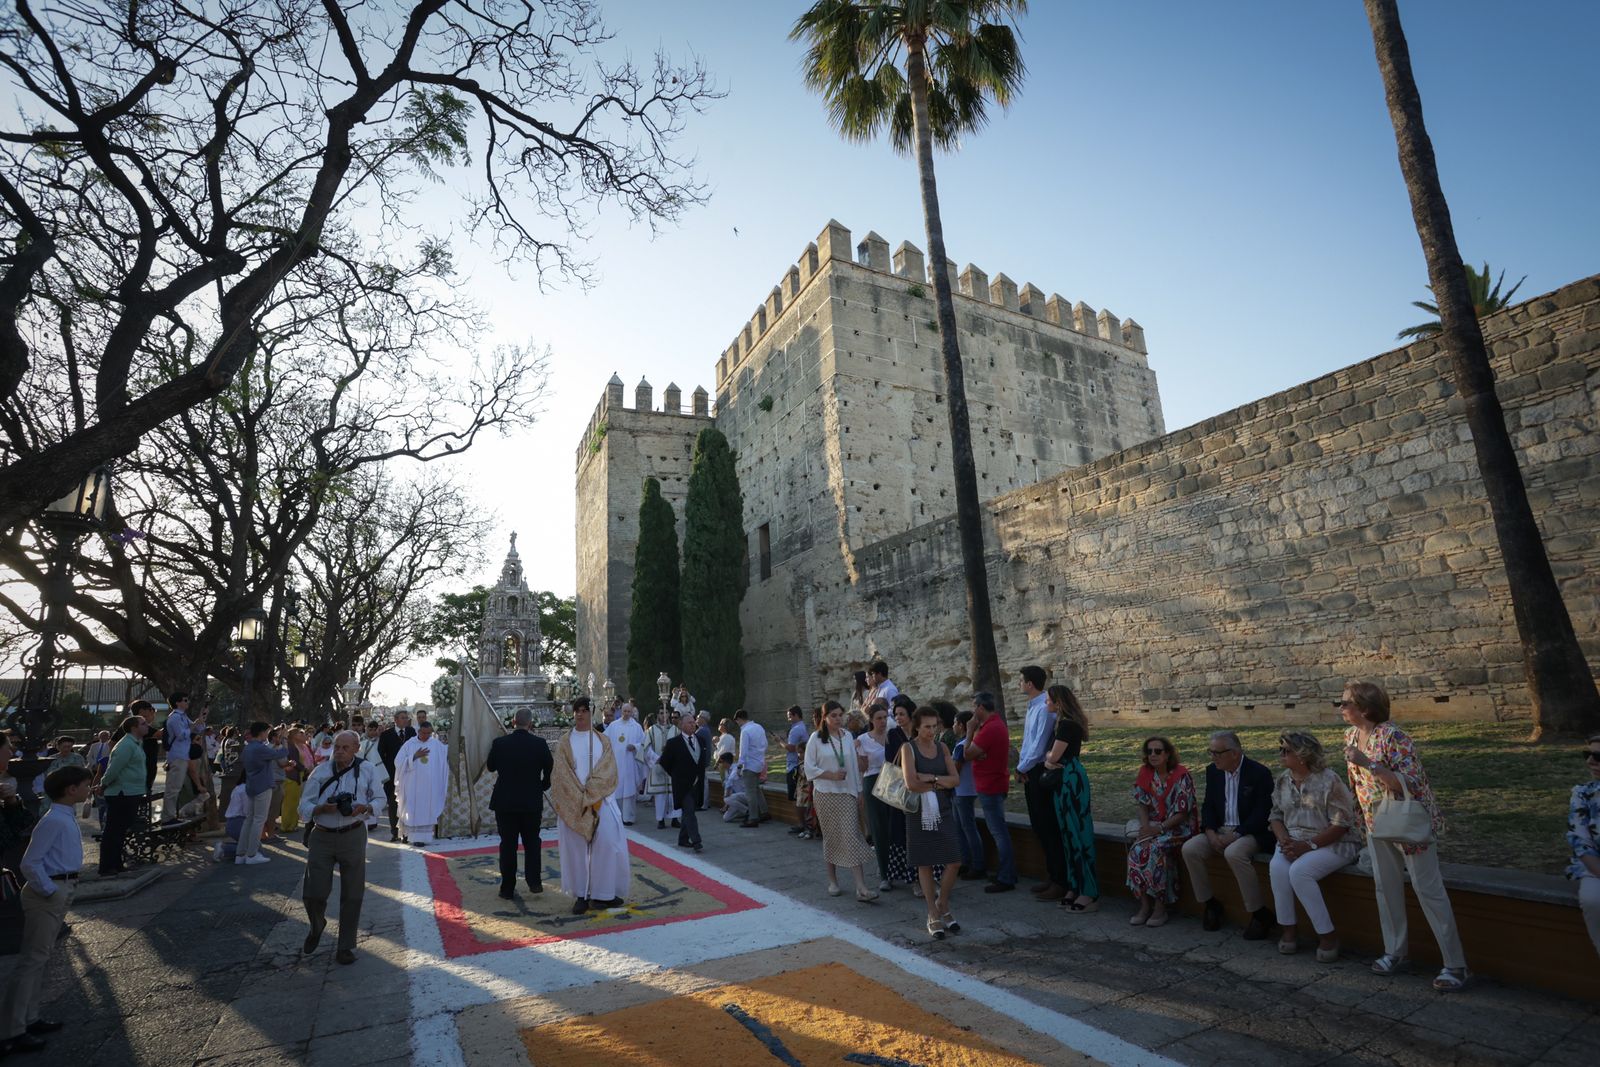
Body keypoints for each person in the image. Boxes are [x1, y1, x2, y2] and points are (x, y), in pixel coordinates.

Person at [1342, 679, 1469, 992]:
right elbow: (1358, 786)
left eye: (1346, 703)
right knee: (1385, 888)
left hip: (1407, 823)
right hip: (1376, 824)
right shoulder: (1350, 735)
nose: (1341, 708)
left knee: (1428, 890)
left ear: (1366, 709)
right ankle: (1395, 951)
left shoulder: (1393, 736)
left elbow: (1410, 783)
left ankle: (1456, 964)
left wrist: (1368, 763)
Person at [0, 765, 91, 1056]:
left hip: (60, 887)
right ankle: (11, 1029)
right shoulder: (53, 820)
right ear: (71, 789)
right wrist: (50, 889)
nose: (89, 789)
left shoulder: (62, 816)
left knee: (40, 959)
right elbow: (30, 863)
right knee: (32, 960)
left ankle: (29, 1018)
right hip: (49, 891)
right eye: (85, 785)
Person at [1269, 731, 1360, 963]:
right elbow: (1276, 815)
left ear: (1302, 755)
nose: (1280, 754)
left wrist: (1308, 846)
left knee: (1300, 872)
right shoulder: (1283, 780)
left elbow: (1341, 823)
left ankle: (1328, 936)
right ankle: (1289, 929)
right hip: (1294, 842)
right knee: (1277, 868)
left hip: (1333, 842)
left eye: (1286, 750)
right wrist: (1284, 840)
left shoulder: (1329, 780)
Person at [298, 730, 386, 965]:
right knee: (314, 892)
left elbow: (380, 799)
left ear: (356, 748)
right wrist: (320, 808)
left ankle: (346, 945)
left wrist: (365, 808)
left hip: (353, 834)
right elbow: (303, 805)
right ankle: (317, 925)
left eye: (345, 748)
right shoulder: (321, 771)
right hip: (322, 836)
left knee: (353, 893)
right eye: (337, 747)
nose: (339, 751)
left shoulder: (367, 769)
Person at [1182, 730, 1276, 938]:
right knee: (1190, 849)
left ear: (1235, 753)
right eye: (1211, 752)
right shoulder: (1213, 771)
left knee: (1234, 853)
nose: (1213, 757)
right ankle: (1210, 904)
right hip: (1220, 829)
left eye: (1218, 753)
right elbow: (1208, 806)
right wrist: (1209, 831)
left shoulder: (1259, 773)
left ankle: (1259, 913)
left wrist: (1237, 834)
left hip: (1250, 831)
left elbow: (1263, 812)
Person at [551, 697, 629, 914]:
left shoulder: (603, 741)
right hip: (574, 805)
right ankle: (581, 895)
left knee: (606, 845)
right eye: (577, 710)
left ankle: (602, 894)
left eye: (585, 710)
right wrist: (579, 799)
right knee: (576, 850)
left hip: (600, 802)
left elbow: (608, 771)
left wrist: (593, 796)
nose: (580, 714)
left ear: (591, 713)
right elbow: (561, 776)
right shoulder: (564, 742)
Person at [802, 702, 878, 902]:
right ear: (825, 717)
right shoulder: (816, 738)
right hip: (826, 793)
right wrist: (831, 775)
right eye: (833, 715)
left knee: (851, 834)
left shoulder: (847, 736)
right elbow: (809, 769)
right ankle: (833, 881)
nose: (837, 719)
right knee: (831, 836)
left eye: (840, 715)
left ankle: (861, 887)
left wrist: (859, 791)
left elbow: (853, 767)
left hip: (847, 793)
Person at [902, 706, 963, 938]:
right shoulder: (908, 748)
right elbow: (911, 784)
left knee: (955, 860)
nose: (931, 730)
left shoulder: (942, 747)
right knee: (924, 863)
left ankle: (942, 903)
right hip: (918, 811)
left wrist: (932, 779)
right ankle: (932, 913)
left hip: (943, 809)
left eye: (934, 726)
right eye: (927, 726)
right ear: (917, 726)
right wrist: (939, 783)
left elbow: (955, 779)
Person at [1126, 735, 1197, 928]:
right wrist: (1146, 829)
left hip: (1177, 828)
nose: (1153, 755)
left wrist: (1158, 829)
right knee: (1137, 851)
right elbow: (1142, 805)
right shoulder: (1146, 773)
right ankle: (1144, 905)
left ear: (1167, 754)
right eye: (1149, 751)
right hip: (1154, 826)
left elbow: (1183, 813)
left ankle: (1160, 907)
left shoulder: (1181, 775)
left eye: (1157, 751)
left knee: (1156, 851)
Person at [1041, 685, 1099, 912]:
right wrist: (1049, 759)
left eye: (1048, 700)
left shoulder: (1066, 725)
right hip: (1068, 776)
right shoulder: (1065, 723)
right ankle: (1075, 885)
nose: (1046, 704)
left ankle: (1089, 891)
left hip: (1070, 780)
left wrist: (1047, 758)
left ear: (1058, 702)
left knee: (1078, 833)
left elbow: (1053, 756)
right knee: (1068, 834)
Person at [487, 708, 554, 898]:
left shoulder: (499, 743)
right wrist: (543, 785)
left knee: (507, 844)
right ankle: (534, 881)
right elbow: (550, 766)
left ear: (513, 722)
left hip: (505, 802)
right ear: (530, 724)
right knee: (532, 842)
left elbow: (491, 766)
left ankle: (507, 888)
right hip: (531, 801)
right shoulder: (539, 744)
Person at [1014, 665, 1067, 902]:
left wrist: (1022, 767)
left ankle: (1059, 880)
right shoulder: (1035, 706)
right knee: (1039, 825)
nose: (1019, 685)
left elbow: (1038, 744)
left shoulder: (1045, 709)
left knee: (1047, 825)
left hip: (1038, 772)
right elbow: (1028, 743)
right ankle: (1051, 874)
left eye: (1021, 681)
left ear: (1029, 684)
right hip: (1030, 770)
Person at [966, 691, 1017, 894]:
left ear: (980, 708)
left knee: (999, 832)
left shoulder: (990, 728)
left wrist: (970, 732)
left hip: (991, 785)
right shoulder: (992, 725)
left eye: (973, 707)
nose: (972, 711)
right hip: (992, 783)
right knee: (999, 831)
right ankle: (1006, 873)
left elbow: (968, 753)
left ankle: (1007, 877)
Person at [98, 714, 151, 875]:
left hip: (131, 792)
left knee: (120, 830)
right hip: (121, 792)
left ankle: (116, 863)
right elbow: (114, 769)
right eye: (143, 724)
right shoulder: (126, 745)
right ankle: (107, 866)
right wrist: (103, 784)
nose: (146, 725)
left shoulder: (136, 743)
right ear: (134, 728)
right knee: (113, 830)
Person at [237, 722, 289, 864]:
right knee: (258, 820)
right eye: (267, 732)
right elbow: (282, 753)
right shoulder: (259, 748)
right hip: (263, 785)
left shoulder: (248, 748)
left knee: (250, 820)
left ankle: (241, 853)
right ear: (261, 732)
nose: (268, 734)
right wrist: (284, 739)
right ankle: (252, 854)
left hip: (252, 785)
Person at [657, 711, 707, 852]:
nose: (693, 725)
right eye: (690, 723)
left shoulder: (701, 741)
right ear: (682, 725)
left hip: (697, 783)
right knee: (689, 810)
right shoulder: (674, 743)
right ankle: (696, 841)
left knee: (688, 811)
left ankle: (683, 839)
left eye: (694, 722)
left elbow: (703, 760)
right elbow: (665, 762)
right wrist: (676, 775)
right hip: (682, 784)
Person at [393, 720, 449, 846]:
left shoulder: (435, 744)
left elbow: (445, 754)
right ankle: (412, 836)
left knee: (427, 809)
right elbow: (398, 761)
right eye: (424, 733)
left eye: (429, 733)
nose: (426, 736)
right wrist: (414, 756)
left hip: (430, 785)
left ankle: (424, 837)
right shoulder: (410, 744)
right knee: (412, 809)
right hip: (412, 784)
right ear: (419, 731)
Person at [1570, 735, 1600, 957]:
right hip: (1594, 867)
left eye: (1598, 756)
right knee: (1592, 899)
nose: (1590, 761)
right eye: (1587, 754)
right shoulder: (1583, 793)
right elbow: (1580, 839)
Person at [951, 710, 984, 881]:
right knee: (961, 828)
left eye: (956, 723)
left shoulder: (961, 745)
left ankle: (977, 864)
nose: (953, 726)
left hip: (962, 791)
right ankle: (965, 861)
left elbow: (955, 768)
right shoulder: (966, 743)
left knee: (967, 828)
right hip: (964, 790)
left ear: (962, 726)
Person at [376, 712, 417, 841]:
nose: (406, 720)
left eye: (407, 718)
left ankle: (407, 832)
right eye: (403, 718)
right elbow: (381, 754)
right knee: (393, 804)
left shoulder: (412, 732)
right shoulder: (386, 735)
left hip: (409, 774)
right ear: (395, 720)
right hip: (392, 775)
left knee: (408, 803)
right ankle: (395, 832)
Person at [160, 691, 200, 821]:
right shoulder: (175, 717)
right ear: (177, 702)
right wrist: (194, 725)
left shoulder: (183, 716)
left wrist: (201, 720)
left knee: (176, 787)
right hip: (176, 755)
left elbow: (197, 729)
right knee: (173, 788)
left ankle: (171, 815)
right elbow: (182, 735)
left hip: (183, 754)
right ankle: (168, 817)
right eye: (185, 700)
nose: (187, 702)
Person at [608, 702, 647, 826]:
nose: (626, 714)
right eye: (625, 711)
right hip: (616, 764)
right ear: (621, 712)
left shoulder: (636, 727)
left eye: (629, 711)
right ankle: (616, 816)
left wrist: (634, 746)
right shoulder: (613, 726)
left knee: (628, 791)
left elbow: (643, 743)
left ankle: (628, 817)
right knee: (617, 790)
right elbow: (604, 740)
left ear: (632, 712)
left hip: (630, 763)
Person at [644, 710, 679, 829]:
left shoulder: (675, 730)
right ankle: (660, 819)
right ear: (657, 715)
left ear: (669, 715)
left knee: (673, 793)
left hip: (672, 766)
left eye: (665, 713)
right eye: (660, 713)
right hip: (658, 764)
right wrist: (656, 758)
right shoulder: (651, 730)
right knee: (660, 795)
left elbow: (680, 745)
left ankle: (675, 818)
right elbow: (647, 748)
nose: (663, 716)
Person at [734, 709, 769, 828]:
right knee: (756, 789)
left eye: (737, 721)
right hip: (760, 763)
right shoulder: (759, 727)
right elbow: (765, 744)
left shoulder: (745, 731)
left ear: (739, 719)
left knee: (750, 792)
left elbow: (743, 752)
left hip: (749, 765)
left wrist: (739, 766)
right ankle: (764, 812)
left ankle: (753, 818)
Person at [280, 728, 312, 834]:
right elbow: (294, 762)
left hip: (298, 775)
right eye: (300, 733)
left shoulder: (299, 746)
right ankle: (286, 825)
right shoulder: (291, 746)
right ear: (294, 735)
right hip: (291, 776)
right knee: (289, 802)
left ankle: (292, 824)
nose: (303, 735)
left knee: (295, 802)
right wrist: (303, 769)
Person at [41, 737, 84, 815]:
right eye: (64, 746)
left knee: (68, 812)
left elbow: (81, 774)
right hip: (54, 789)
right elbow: (47, 775)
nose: (67, 749)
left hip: (70, 790)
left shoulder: (77, 758)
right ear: (58, 746)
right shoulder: (51, 759)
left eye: (69, 746)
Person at [783, 704, 808, 812]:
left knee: (795, 796)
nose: (788, 718)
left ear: (796, 715)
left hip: (794, 765)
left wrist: (779, 741)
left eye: (790, 716)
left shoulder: (796, 729)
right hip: (799, 764)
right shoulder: (802, 727)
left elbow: (791, 748)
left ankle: (800, 823)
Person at [717, 752, 749, 824]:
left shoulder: (736, 767)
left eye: (721, 762)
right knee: (726, 818)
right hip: (735, 798)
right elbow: (726, 784)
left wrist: (726, 796)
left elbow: (730, 781)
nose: (720, 764)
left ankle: (747, 811)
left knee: (726, 799)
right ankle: (744, 812)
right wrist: (726, 805)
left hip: (745, 795)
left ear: (725, 762)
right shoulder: (726, 771)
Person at [694, 711, 714, 810]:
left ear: (703, 719)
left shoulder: (701, 731)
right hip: (705, 760)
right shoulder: (706, 730)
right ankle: (705, 803)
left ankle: (703, 803)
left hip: (702, 761)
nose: (696, 719)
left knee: (703, 782)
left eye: (698, 717)